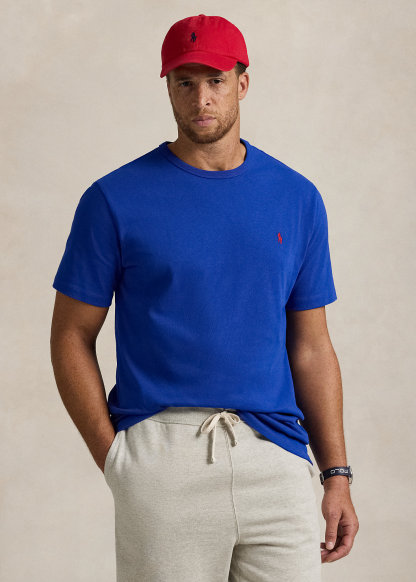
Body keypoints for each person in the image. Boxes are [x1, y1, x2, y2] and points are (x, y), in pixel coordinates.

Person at [50, 13, 359, 582]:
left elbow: (312, 346)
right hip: (163, 456)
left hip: (278, 457)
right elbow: (71, 334)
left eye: (216, 80)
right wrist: (115, 459)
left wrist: (335, 473)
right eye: (185, 82)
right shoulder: (113, 199)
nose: (202, 99)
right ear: (167, 87)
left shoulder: (296, 197)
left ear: (243, 82)